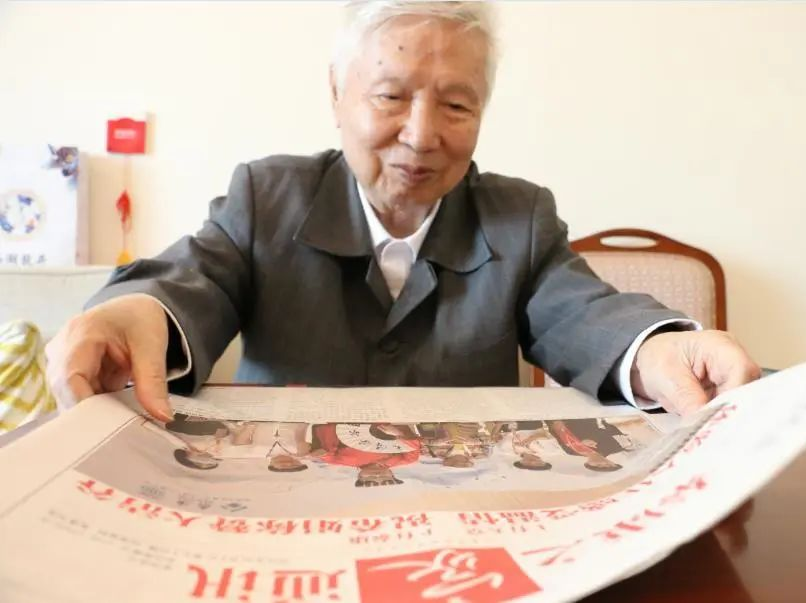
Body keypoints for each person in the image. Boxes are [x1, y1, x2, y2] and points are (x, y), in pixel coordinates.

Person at [45, 1, 760, 422]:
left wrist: (656, 351)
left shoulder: (519, 217)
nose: (421, 135)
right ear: (336, 93)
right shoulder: (267, 197)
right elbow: (194, 278)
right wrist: (137, 310)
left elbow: (581, 312)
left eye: (456, 105)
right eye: (391, 95)